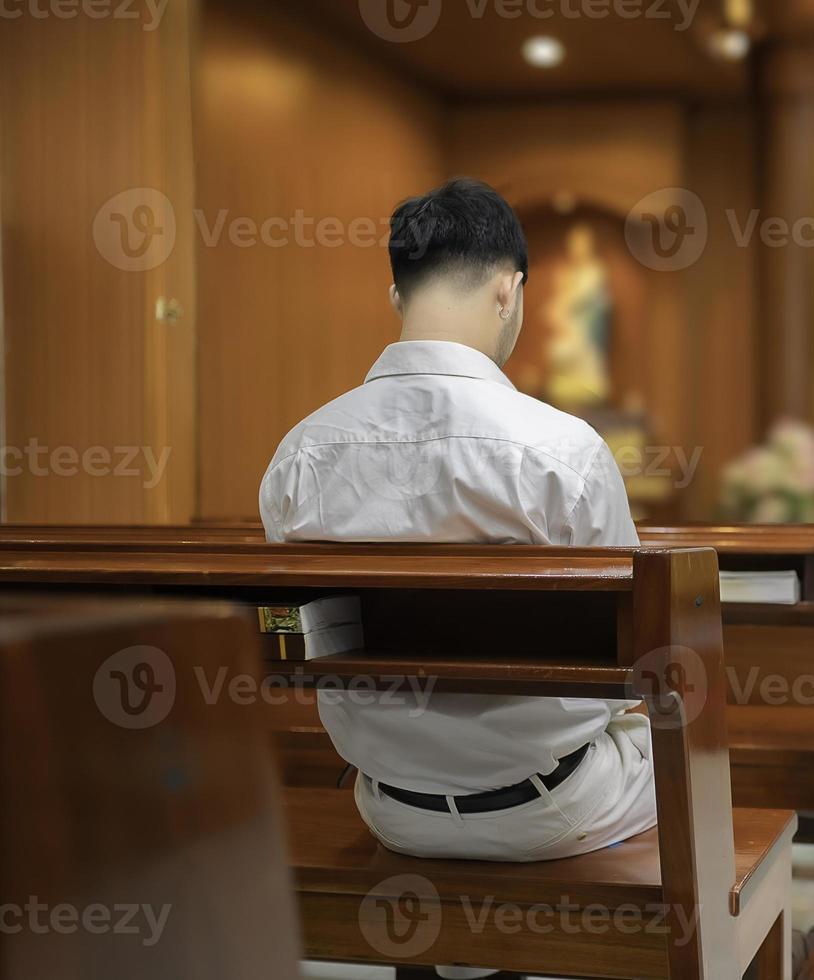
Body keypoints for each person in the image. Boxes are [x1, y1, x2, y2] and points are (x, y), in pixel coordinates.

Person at [258, 178, 655, 978]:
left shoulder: (302, 450)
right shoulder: (563, 450)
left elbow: (300, 635)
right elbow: (636, 656)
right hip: (550, 807)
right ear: (509, 291)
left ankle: (457, 959)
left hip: (388, 807)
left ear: (396, 290)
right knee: (669, 733)